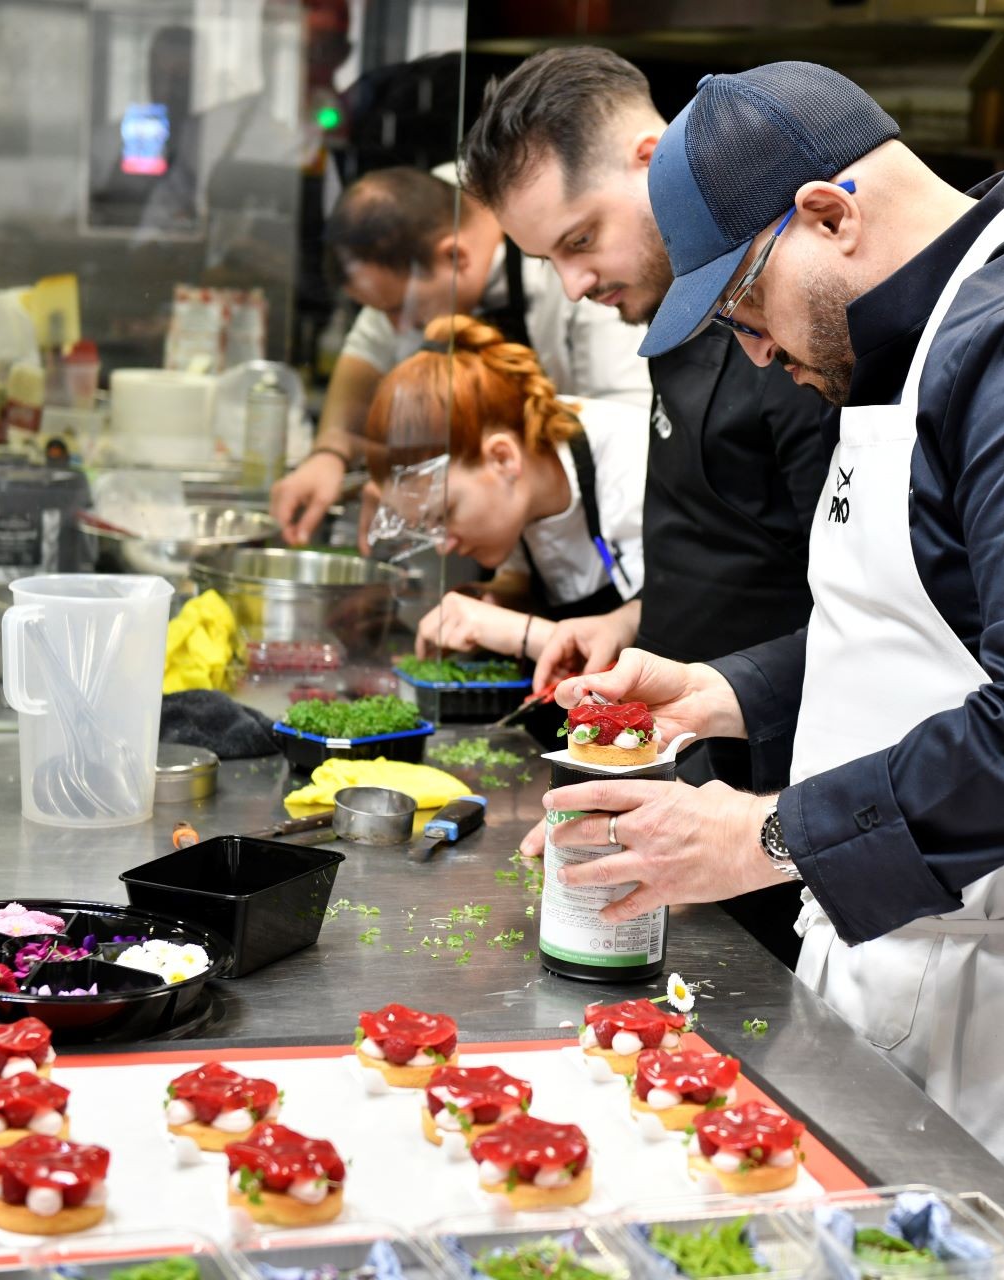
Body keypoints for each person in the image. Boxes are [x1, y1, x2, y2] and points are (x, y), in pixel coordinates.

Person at [538, 62, 1004, 1261]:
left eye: (743, 308)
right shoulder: (921, 335)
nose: (756, 351)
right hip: (927, 956)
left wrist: (766, 835)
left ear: (830, 214)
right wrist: (729, 689)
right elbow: (925, 624)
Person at [461, 47, 833, 968]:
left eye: (580, 241)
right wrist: (631, 620)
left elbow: (861, 605)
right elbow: (736, 539)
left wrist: (761, 830)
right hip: (685, 772)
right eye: (549, 259)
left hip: (780, 811)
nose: (574, 287)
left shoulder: (799, 331)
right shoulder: (671, 316)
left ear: (653, 157)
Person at [271, 166, 650, 544]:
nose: (398, 328)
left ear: (454, 257)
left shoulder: (564, 259)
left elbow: (629, 427)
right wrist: (330, 452)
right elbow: (365, 356)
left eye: (400, 309)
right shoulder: (413, 222)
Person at [365, 314, 646, 667]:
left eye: (445, 514)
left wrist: (521, 632)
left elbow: (670, 636)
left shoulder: (634, 460)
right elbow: (535, 575)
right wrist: (493, 601)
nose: (443, 545)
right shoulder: (519, 490)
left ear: (502, 458)